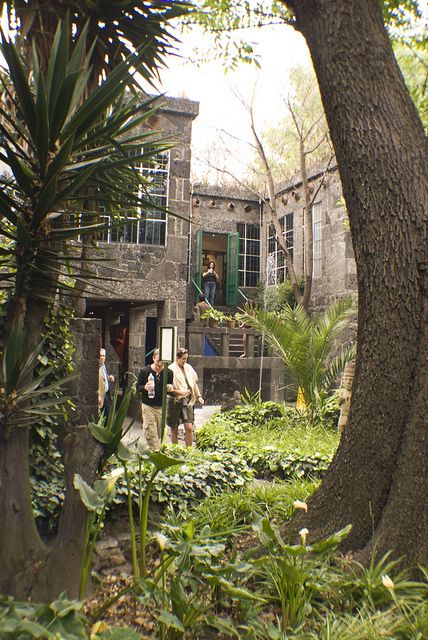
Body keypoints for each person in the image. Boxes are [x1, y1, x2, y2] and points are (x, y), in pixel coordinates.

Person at [137, 348, 174, 450]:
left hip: (161, 406)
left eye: (162, 362)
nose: (160, 364)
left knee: (160, 432)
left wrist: (170, 388)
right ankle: (156, 453)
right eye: (158, 361)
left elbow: (170, 386)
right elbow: (138, 387)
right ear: (153, 358)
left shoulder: (169, 372)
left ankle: (155, 452)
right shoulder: (145, 371)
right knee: (150, 432)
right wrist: (145, 387)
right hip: (148, 406)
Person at [167, 347, 204, 447]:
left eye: (186, 359)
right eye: (183, 359)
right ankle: (176, 450)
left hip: (187, 400)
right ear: (177, 358)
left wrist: (199, 396)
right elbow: (168, 389)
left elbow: (194, 383)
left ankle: (188, 450)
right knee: (174, 427)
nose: (185, 361)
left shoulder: (188, 367)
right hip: (174, 400)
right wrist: (180, 392)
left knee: (189, 427)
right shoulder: (171, 369)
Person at [98, 348, 115, 416]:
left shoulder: (103, 365)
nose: (102, 357)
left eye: (103, 356)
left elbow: (102, 378)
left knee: (108, 415)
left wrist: (109, 377)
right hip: (101, 396)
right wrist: (98, 396)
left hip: (107, 395)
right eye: (100, 355)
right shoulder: (96, 367)